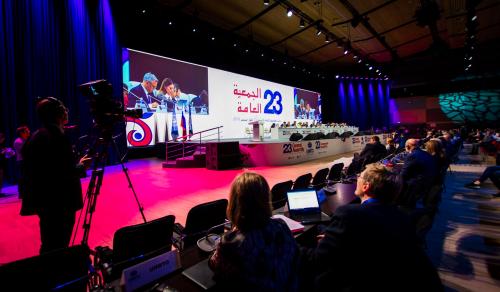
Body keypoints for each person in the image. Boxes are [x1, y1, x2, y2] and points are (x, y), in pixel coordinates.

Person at [299, 163, 442, 291]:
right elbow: (374, 242)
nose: (357, 179)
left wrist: (293, 247)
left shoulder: (348, 214)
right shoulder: (402, 216)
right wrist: (339, 240)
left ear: (366, 186)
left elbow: (319, 260)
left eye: (359, 177)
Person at [20, 97, 90, 254]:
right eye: (63, 108)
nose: (66, 111)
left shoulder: (38, 136)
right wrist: (81, 166)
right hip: (59, 203)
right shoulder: (56, 137)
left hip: (46, 203)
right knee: (57, 245)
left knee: (49, 243)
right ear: (58, 114)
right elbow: (60, 173)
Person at [209, 172, 298, 291]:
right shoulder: (281, 225)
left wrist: (234, 232)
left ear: (235, 204)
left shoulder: (231, 242)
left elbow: (214, 264)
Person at [398, 138, 438, 209]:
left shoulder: (412, 155)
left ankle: (400, 205)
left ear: (408, 146)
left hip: (417, 185)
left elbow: (403, 174)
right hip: (427, 182)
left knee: (394, 182)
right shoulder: (426, 153)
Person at [13, 126, 30, 198]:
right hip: (22, 161)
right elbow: (25, 151)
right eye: (26, 131)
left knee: (27, 177)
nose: (29, 132)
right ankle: (21, 193)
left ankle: (28, 191)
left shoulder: (26, 139)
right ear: (21, 133)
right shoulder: (18, 141)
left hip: (26, 160)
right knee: (22, 177)